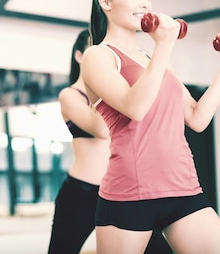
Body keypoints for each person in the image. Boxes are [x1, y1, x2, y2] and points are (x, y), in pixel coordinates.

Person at [81, 0, 220, 254]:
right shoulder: (98, 56)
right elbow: (135, 107)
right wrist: (163, 46)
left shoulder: (152, 56)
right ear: (105, 2)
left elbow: (197, 118)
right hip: (130, 194)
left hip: (183, 187)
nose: (144, 4)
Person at [47, 29, 172, 254]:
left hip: (122, 189)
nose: (104, 53)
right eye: (95, 47)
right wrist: (100, 85)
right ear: (79, 56)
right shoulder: (69, 95)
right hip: (81, 192)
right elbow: (102, 130)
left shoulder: (120, 91)